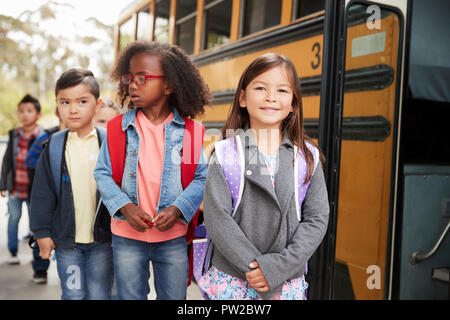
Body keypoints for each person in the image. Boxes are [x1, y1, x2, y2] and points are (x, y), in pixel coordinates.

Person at [199, 53, 330, 300]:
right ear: (243, 98)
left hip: (287, 281)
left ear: (293, 103)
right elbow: (218, 220)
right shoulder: (225, 153)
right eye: (260, 88)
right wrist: (256, 270)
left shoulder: (307, 157)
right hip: (233, 282)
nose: (271, 97)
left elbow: (317, 219)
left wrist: (276, 269)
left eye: (282, 91)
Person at [94, 41, 210, 300]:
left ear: (168, 85)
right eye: (129, 78)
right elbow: (102, 172)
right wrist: (125, 206)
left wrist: (178, 208)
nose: (132, 84)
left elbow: (201, 177)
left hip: (172, 238)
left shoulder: (190, 134)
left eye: (142, 78)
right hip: (127, 235)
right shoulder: (116, 129)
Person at [30, 68, 113, 300]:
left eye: (82, 101)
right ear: (58, 107)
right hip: (67, 243)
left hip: (103, 241)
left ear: (97, 104)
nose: (73, 109)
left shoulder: (109, 142)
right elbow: (41, 193)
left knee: (99, 295)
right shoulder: (54, 146)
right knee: (73, 294)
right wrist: (41, 233)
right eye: (65, 102)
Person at [0, 94, 45, 265]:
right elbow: (7, 161)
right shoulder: (14, 134)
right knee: (13, 218)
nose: (24, 114)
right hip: (15, 188)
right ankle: (13, 251)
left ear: (38, 114)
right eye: (21, 111)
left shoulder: (42, 136)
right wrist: (3, 183)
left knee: (36, 224)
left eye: (29, 111)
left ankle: (38, 258)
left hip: (34, 190)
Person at [24, 107, 65, 284]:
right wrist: (48, 163)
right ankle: (40, 269)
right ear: (57, 112)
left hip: (69, 198)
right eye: (65, 104)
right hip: (48, 195)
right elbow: (30, 159)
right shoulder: (47, 136)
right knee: (41, 231)